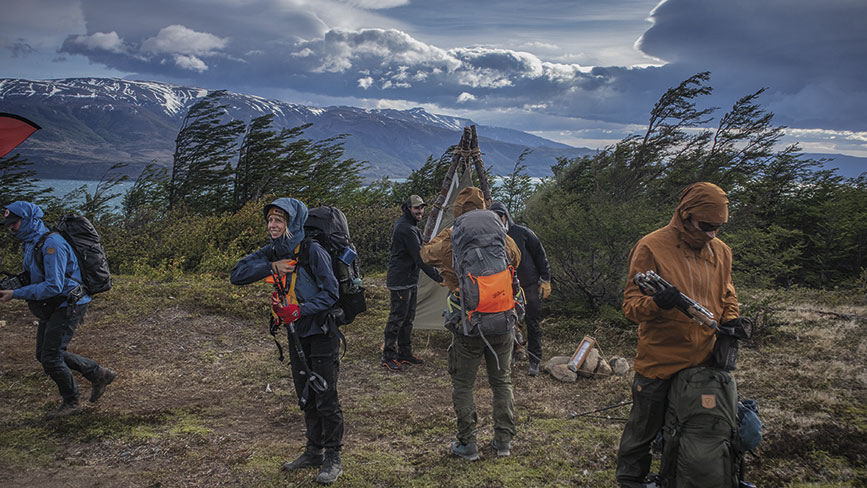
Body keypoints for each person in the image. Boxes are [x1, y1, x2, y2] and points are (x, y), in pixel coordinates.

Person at [616, 182, 741, 488]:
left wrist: (733, 321)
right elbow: (631, 308)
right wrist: (658, 303)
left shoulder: (722, 252)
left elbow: (728, 295)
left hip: (705, 363)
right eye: (707, 226)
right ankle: (630, 481)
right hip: (659, 361)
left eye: (719, 227)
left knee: (701, 430)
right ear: (685, 216)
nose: (712, 234)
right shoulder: (651, 247)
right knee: (642, 431)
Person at [230, 198, 344, 485]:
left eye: (279, 220)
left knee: (325, 395)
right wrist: (272, 267)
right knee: (305, 392)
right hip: (296, 332)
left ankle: (333, 457)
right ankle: (312, 451)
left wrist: (300, 310)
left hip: (320, 330)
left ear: (293, 222)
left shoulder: (313, 250)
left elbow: (331, 294)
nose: (272, 225)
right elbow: (237, 274)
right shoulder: (274, 251)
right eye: (270, 220)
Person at [421, 187, 521, 460]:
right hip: (502, 318)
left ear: (457, 210)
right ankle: (503, 442)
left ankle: (468, 443)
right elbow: (516, 257)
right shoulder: (498, 231)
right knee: (501, 381)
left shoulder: (453, 235)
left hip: (468, 322)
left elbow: (426, 255)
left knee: (463, 385)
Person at [0, 201, 116, 419]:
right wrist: (13, 285)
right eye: (9, 224)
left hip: (69, 303)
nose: (11, 228)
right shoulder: (31, 243)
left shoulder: (52, 244)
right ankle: (98, 373)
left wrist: (16, 294)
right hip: (54, 303)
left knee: (51, 356)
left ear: (28, 220)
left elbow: (54, 285)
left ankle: (72, 402)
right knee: (43, 354)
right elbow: (35, 275)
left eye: (14, 223)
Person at [381, 194, 443, 372]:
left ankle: (405, 353)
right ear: (408, 209)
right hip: (401, 281)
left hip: (408, 280)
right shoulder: (406, 229)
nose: (420, 211)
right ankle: (388, 356)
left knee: (407, 319)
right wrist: (438, 277)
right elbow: (420, 258)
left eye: (422, 208)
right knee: (397, 319)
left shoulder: (409, 226)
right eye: (417, 208)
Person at [489, 202, 551, 377]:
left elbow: (540, 254)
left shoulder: (522, 233)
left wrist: (545, 278)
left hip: (528, 284)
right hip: (505, 287)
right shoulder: (491, 236)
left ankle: (534, 360)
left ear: (505, 216)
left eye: (499, 216)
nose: (497, 220)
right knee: (508, 323)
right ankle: (512, 354)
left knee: (532, 322)